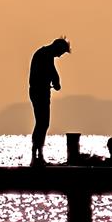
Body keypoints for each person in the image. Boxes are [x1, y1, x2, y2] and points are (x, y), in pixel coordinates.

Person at [28, 37, 71, 165]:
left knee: (42, 124)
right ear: (57, 48)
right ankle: (37, 156)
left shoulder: (45, 54)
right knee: (42, 123)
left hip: (41, 93)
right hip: (39, 93)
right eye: (61, 53)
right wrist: (56, 83)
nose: (60, 56)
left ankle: (37, 155)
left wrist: (56, 82)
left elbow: (53, 73)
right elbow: (52, 73)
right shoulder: (45, 55)